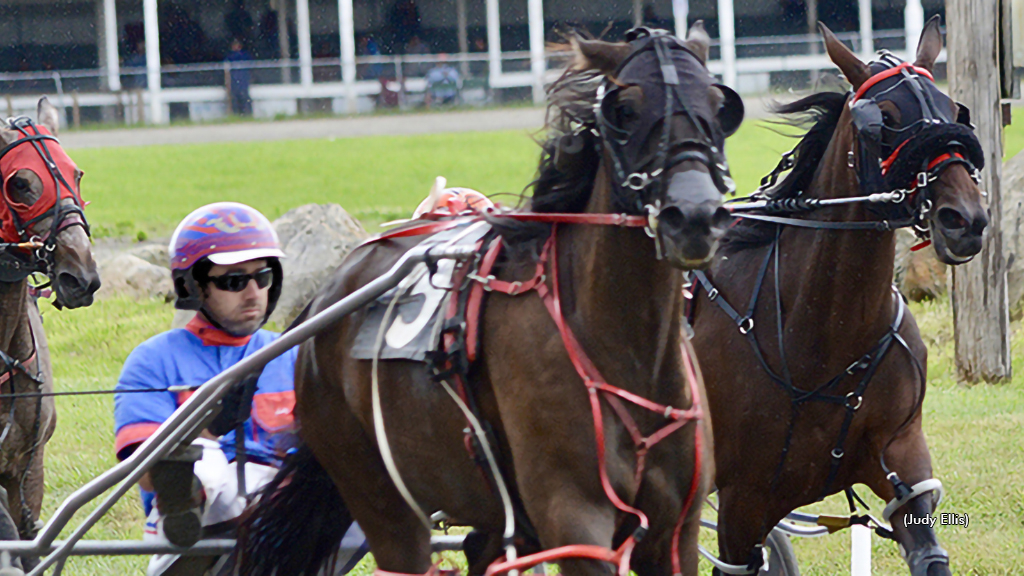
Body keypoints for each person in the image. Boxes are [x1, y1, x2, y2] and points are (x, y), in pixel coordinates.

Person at [114, 203, 367, 576]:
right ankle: (191, 500)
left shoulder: (294, 353)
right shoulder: (153, 360)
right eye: (233, 281)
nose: (252, 293)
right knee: (206, 459)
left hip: (288, 512)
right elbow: (145, 472)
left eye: (261, 277)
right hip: (196, 524)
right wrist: (207, 425)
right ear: (193, 285)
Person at [224, 39, 254, 116]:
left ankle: (247, 114)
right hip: (235, 80)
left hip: (243, 80)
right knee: (235, 98)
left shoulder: (244, 55)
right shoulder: (231, 56)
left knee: (244, 97)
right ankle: (236, 114)